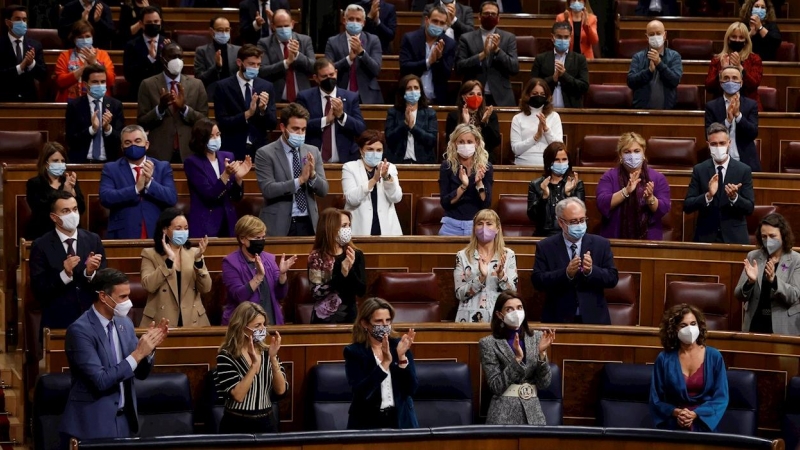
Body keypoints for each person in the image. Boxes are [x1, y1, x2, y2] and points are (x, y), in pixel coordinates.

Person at [59, 268, 167, 444]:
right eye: (122, 297)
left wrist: (149, 349)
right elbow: (100, 380)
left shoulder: (125, 323)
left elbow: (140, 373)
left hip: (125, 422)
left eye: (128, 296)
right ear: (103, 297)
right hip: (91, 425)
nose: (129, 303)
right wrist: (138, 353)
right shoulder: (79, 331)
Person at [531, 198, 619, 324]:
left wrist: (591, 271)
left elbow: (613, 278)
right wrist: (566, 274)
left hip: (594, 319)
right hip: (558, 319)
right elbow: (537, 281)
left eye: (582, 220)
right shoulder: (546, 247)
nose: (579, 225)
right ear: (561, 223)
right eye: (573, 221)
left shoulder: (601, 244)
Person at [30, 190, 104, 337]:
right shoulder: (41, 245)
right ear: (54, 217)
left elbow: (105, 282)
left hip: (91, 320)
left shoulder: (93, 240)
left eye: (75, 209)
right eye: (66, 211)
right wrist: (65, 274)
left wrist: (89, 273)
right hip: (57, 321)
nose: (73, 214)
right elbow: (39, 289)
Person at [650, 303, 729, 431]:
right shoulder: (664, 359)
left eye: (693, 324)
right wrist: (677, 412)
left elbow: (721, 397)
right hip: (673, 423)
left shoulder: (714, 356)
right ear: (674, 329)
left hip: (705, 423)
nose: (690, 329)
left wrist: (695, 414)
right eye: (683, 325)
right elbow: (656, 399)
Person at [479, 291, 554, 425]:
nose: (516, 312)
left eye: (519, 308)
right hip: (503, 413)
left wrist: (542, 355)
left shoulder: (537, 337)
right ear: (499, 315)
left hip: (533, 414)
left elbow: (544, 383)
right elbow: (496, 386)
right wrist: (517, 360)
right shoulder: (489, 343)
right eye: (510, 309)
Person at [255, 102, 329, 237]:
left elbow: (324, 190)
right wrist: (300, 180)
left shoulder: (312, 151)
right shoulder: (265, 153)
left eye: (303, 129)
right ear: (283, 127)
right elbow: (268, 189)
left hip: (308, 223)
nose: (300, 134)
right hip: (278, 223)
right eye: (295, 129)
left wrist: (312, 176)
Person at [344, 297, 418, 429]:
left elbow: (411, 389)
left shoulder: (400, 346)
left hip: (401, 421)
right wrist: (385, 363)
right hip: (367, 423)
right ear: (365, 323)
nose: (384, 325)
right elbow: (361, 392)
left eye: (388, 320)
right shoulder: (354, 352)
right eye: (378, 321)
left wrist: (401, 358)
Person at [216, 301, 288, 433]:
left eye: (263, 324)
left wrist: (273, 359)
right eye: (257, 325)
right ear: (242, 327)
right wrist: (254, 366)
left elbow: (281, 390)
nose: (262, 329)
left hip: (267, 422)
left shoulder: (268, 352)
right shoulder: (227, 356)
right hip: (237, 424)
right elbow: (238, 395)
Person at [99, 125, 177, 239]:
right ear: (122, 147)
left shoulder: (162, 167)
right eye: (128, 142)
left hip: (157, 232)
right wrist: (136, 188)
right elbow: (106, 197)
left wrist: (149, 183)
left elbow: (171, 198)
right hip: (124, 234)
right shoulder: (111, 169)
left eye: (137, 141)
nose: (133, 145)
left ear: (147, 144)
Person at [137, 42, 208, 163]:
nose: (177, 60)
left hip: (189, 150)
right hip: (159, 152)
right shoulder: (147, 84)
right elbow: (142, 121)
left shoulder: (197, 85)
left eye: (180, 57)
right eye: (173, 57)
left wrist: (184, 109)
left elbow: (204, 120)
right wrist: (160, 109)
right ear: (163, 59)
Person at [683, 122, 754, 244]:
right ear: (708, 145)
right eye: (714, 144)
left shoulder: (743, 170)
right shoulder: (700, 170)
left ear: (729, 143)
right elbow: (688, 206)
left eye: (722, 143)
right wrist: (708, 195)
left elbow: (749, 208)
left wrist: (734, 197)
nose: (718, 147)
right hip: (706, 236)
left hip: (734, 238)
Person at [140, 208, 211, 327]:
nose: (183, 232)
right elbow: (149, 286)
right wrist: (169, 261)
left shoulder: (195, 253)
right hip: (160, 322)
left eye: (186, 228)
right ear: (165, 229)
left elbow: (206, 288)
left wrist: (198, 261)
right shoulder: (149, 254)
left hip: (193, 321)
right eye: (178, 229)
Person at [222, 215, 296, 326]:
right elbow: (239, 296)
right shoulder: (231, 262)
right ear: (242, 239)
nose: (261, 241)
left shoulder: (269, 259)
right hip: (243, 325)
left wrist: (282, 275)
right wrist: (259, 277)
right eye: (257, 238)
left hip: (270, 322)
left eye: (263, 237)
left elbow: (280, 295)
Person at [596, 132, 671, 240]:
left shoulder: (658, 178)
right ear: (620, 155)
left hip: (649, 240)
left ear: (643, 153)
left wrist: (650, 199)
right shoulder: (609, 177)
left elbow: (663, 208)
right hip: (615, 238)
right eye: (627, 152)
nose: (632, 156)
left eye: (636, 151)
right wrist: (625, 191)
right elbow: (602, 203)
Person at [184, 118, 251, 238]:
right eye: (212, 136)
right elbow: (210, 195)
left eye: (218, 134)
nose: (216, 139)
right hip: (205, 224)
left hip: (228, 222)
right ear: (201, 139)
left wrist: (238, 179)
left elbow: (236, 197)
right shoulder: (192, 163)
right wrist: (226, 175)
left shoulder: (228, 156)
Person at [735, 213, 800, 335]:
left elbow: (793, 295)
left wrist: (774, 281)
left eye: (772, 236)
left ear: (783, 235)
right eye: (764, 236)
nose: (768, 241)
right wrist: (750, 282)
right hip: (755, 323)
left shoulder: (796, 260)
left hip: (783, 327)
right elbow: (739, 295)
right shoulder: (753, 256)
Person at [214, 44, 278, 161]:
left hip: (259, 148)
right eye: (251, 64)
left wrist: (263, 111)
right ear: (239, 62)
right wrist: (247, 114)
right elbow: (222, 122)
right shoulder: (223, 87)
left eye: (258, 65)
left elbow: (272, 124)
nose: (255, 68)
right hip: (233, 148)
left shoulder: (266, 86)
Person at [296, 58, 367, 164]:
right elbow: (301, 126)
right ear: (316, 78)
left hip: (345, 160)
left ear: (336, 73)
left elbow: (360, 129)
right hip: (314, 160)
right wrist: (325, 120)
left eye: (331, 75)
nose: (329, 79)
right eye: (324, 76)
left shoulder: (351, 97)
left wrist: (342, 116)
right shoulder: (305, 97)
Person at [455, 209, 518, 323]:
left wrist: (501, 276)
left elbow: (513, 293)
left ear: (497, 229)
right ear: (474, 229)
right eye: (480, 224)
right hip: (469, 318)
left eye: (489, 224)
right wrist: (480, 279)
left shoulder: (508, 255)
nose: (484, 228)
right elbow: (460, 294)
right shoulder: (463, 256)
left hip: (499, 318)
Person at [454, 1, 519, 107]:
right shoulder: (466, 38)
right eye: (486, 13)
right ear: (479, 16)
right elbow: (459, 67)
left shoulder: (508, 38)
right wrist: (482, 55)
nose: (490, 16)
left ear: (498, 18)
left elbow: (514, 68)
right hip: (472, 95)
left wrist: (498, 50)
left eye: (493, 14)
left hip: (501, 97)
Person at [308, 208, 367, 324]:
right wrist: (341, 273)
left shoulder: (355, 254)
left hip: (350, 317)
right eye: (344, 225)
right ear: (330, 228)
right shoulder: (316, 257)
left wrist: (349, 271)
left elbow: (361, 290)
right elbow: (317, 293)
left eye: (349, 225)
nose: (348, 229)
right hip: (324, 319)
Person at [343, 130, 403, 236]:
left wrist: (386, 178)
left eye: (379, 150)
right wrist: (373, 180)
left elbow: (396, 198)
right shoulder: (349, 168)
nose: (375, 153)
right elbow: (351, 199)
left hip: (387, 230)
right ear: (361, 150)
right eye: (370, 149)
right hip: (359, 230)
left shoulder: (389, 168)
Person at [439, 124, 493, 236]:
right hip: (451, 226)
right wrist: (463, 186)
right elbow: (445, 203)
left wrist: (479, 183)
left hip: (476, 226)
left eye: (469, 142)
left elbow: (486, 203)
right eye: (461, 142)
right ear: (455, 143)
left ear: (476, 143)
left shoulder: (485, 167)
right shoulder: (447, 166)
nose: (465, 145)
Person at [704, 65, 760, 172]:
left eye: (735, 78)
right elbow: (708, 135)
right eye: (726, 78)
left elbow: (753, 132)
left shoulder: (751, 104)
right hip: (719, 162)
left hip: (746, 161)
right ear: (721, 83)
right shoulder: (711, 106)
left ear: (741, 82)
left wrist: (738, 116)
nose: (730, 81)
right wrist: (728, 121)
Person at [324, 4, 384, 105]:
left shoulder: (373, 40)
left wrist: (361, 52)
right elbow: (328, 69)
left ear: (363, 23)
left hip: (367, 95)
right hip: (340, 94)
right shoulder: (333, 42)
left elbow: (376, 70)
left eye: (358, 19)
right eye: (351, 19)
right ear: (344, 20)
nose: (354, 22)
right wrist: (348, 60)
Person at [26, 143, 86, 241]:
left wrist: (72, 193)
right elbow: (40, 211)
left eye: (62, 161)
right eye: (55, 161)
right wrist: (64, 193)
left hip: (70, 232)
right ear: (45, 163)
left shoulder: (69, 181)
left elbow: (81, 209)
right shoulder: (35, 184)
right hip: (43, 232)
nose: (60, 164)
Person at [65, 63, 124, 164]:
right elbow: (71, 140)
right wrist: (92, 130)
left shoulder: (115, 105)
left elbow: (120, 139)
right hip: (82, 163)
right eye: (95, 82)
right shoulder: (75, 106)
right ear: (85, 84)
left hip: (109, 163)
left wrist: (108, 129)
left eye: (103, 82)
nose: (100, 85)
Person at [398, 5, 456, 106]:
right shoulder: (410, 39)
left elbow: (446, 75)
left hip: (436, 100)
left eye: (442, 23)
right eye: (435, 21)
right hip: (410, 99)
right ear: (426, 20)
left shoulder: (449, 44)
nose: (438, 25)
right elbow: (405, 67)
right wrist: (428, 62)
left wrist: (439, 59)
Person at [256, 9, 315, 103]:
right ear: (273, 26)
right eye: (279, 26)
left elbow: (314, 67)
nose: (283, 29)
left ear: (292, 24)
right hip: (277, 99)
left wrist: (297, 55)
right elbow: (262, 71)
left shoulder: (305, 40)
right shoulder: (264, 43)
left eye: (286, 26)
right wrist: (286, 63)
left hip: (303, 98)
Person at [527, 142, 584, 237]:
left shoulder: (577, 184)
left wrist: (568, 194)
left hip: (569, 235)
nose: (561, 163)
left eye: (564, 159)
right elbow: (533, 217)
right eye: (557, 160)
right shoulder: (536, 185)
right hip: (544, 236)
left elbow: (579, 215)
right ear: (549, 162)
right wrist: (544, 197)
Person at [530, 21, 590, 109]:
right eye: (559, 37)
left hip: (571, 110)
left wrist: (564, 75)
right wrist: (553, 79)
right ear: (552, 37)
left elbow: (584, 87)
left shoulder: (579, 59)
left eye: (566, 37)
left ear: (570, 38)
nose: (562, 40)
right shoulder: (541, 59)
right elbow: (532, 85)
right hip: (545, 109)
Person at [705, 22, 763, 111]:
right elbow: (709, 87)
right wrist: (722, 71)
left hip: (748, 107)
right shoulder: (717, 59)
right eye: (734, 37)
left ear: (746, 41)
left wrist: (740, 67)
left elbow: (754, 84)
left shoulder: (754, 59)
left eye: (741, 37)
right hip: (721, 106)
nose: (737, 40)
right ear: (728, 39)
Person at [627, 20, 683, 110]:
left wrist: (659, 64)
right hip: (642, 112)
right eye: (652, 34)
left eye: (658, 33)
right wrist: (648, 71)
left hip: (667, 112)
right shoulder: (638, 57)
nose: (655, 37)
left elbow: (675, 80)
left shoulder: (674, 56)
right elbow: (631, 82)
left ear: (665, 35)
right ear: (647, 37)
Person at [54, 20, 115, 102]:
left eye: (87, 36)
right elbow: (60, 82)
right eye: (80, 37)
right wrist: (83, 69)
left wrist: (94, 63)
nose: (85, 40)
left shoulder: (103, 55)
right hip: (70, 102)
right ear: (74, 39)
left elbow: (111, 81)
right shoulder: (65, 56)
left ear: (92, 37)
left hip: (99, 102)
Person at [384, 74, 438, 164]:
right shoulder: (393, 112)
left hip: (423, 162)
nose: (413, 91)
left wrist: (413, 127)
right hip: (398, 162)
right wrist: (405, 124)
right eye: (409, 88)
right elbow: (389, 139)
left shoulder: (430, 113)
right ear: (403, 92)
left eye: (416, 88)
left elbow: (431, 140)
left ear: (421, 91)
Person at [511, 78, 562, 166]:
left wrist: (546, 130)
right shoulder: (517, 118)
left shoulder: (554, 116)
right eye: (535, 94)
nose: (539, 97)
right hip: (523, 164)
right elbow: (516, 149)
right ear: (528, 95)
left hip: (548, 165)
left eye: (542, 94)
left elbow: (560, 147)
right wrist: (536, 137)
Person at [0, 5, 47, 102]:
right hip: (5, 99)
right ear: (8, 22)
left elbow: (43, 75)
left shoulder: (35, 45)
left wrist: (31, 64)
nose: (22, 23)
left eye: (24, 20)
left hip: (29, 99)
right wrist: (20, 67)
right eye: (18, 19)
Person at [122, 6, 168, 102]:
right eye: (149, 23)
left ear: (161, 22)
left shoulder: (169, 44)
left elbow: (173, 72)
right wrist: (149, 59)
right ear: (141, 24)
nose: (153, 25)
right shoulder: (131, 45)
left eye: (156, 22)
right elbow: (129, 75)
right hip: (139, 94)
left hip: (164, 93)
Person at [445, 80, 501, 159]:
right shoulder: (454, 116)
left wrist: (484, 123)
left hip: (484, 158)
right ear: (463, 96)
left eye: (479, 94)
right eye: (471, 94)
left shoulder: (490, 115)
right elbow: (450, 142)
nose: (476, 97)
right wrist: (465, 124)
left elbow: (495, 142)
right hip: (459, 158)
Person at [194, 16, 241, 95]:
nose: (224, 33)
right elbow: (199, 79)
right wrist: (216, 67)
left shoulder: (238, 50)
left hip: (234, 93)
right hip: (212, 93)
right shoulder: (202, 51)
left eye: (227, 30)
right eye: (220, 30)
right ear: (211, 31)